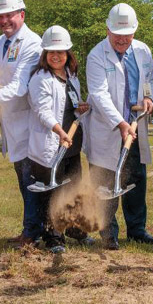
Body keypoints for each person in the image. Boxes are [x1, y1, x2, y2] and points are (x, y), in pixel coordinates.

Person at [87, 4, 153, 249]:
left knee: (136, 178)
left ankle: (137, 230)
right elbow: (99, 94)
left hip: (136, 124)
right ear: (108, 30)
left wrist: (149, 97)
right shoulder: (97, 55)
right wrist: (119, 123)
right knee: (105, 180)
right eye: (118, 34)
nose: (122, 39)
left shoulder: (142, 50)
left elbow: (151, 80)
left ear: (134, 31)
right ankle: (108, 233)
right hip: (108, 127)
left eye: (127, 34)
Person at [27, 26, 92, 253]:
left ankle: (75, 229)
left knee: (74, 188)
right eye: (51, 52)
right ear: (45, 54)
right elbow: (41, 110)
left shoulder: (71, 76)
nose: (56, 56)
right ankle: (54, 237)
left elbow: (72, 105)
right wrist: (59, 131)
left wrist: (80, 107)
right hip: (52, 144)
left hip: (72, 144)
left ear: (68, 53)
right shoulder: (40, 78)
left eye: (61, 52)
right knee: (54, 192)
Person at [0, 0, 43, 247]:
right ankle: (31, 229)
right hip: (10, 121)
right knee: (21, 178)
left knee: (29, 178)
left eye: (9, 15)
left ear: (21, 14)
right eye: (0, 17)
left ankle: (32, 232)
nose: (4, 21)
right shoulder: (1, 43)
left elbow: (21, 85)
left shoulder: (33, 43)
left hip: (28, 121)